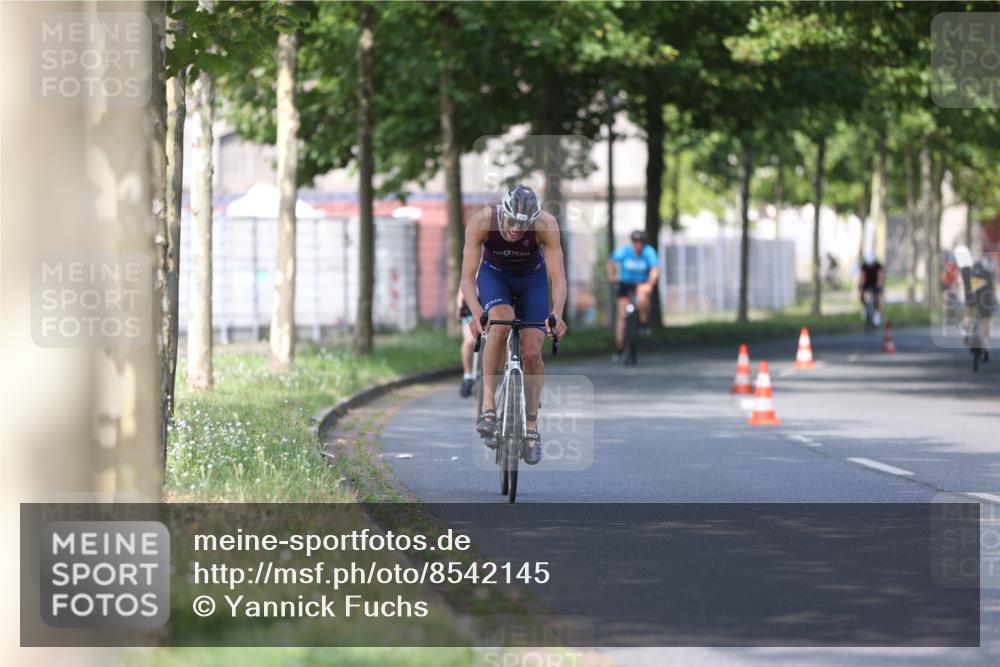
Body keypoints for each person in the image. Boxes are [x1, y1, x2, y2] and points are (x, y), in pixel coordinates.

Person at [459, 184, 568, 465]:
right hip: (495, 275)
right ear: (503, 212)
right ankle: (488, 406)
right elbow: (467, 278)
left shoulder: (546, 224)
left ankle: (531, 428)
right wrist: (476, 312)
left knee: (532, 353)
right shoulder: (483, 220)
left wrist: (556, 313)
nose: (517, 229)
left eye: (524, 224)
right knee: (501, 324)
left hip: (532, 280)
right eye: (512, 222)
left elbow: (557, 277)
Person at [607, 230, 660, 360]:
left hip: (641, 283)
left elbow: (655, 269)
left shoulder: (648, 252)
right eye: (635, 242)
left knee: (644, 294)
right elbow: (611, 261)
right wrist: (612, 276)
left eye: (641, 242)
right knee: (621, 316)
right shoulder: (625, 250)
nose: (638, 245)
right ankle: (619, 348)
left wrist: (651, 282)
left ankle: (643, 322)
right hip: (625, 284)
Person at [956, 246, 994, 362]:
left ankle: (967, 332)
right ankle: (985, 347)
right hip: (986, 295)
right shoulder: (989, 262)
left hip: (971, 293)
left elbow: (960, 283)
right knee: (985, 321)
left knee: (968, 310)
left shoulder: (965, 267)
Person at [456, 289, 476, 398]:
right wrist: (459, 308)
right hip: (470, 309)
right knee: (469, 341)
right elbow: (462, 290)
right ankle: (467, 375)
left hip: (490, 306)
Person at [858, 252, 884, 326]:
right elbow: (862, 277)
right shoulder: (864, 266)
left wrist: (879, 288)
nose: (870, 266)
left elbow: (880, 277)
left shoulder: (878, 266)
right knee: (861, 295)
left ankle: (877, 314)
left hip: (875, 283)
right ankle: (865, 307)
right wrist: (861, 287)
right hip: (867, 283)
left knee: (877, 298)